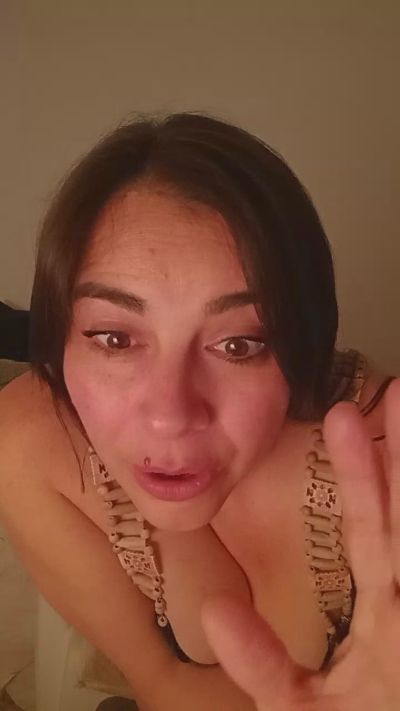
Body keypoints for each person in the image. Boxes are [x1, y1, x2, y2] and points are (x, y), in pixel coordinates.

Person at [0, 112, 398, 711]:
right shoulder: (31, 438)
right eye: (115, 338)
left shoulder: (378, 474)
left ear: (305, 344)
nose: (170, 414)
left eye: (238, 345)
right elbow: (163, 686)